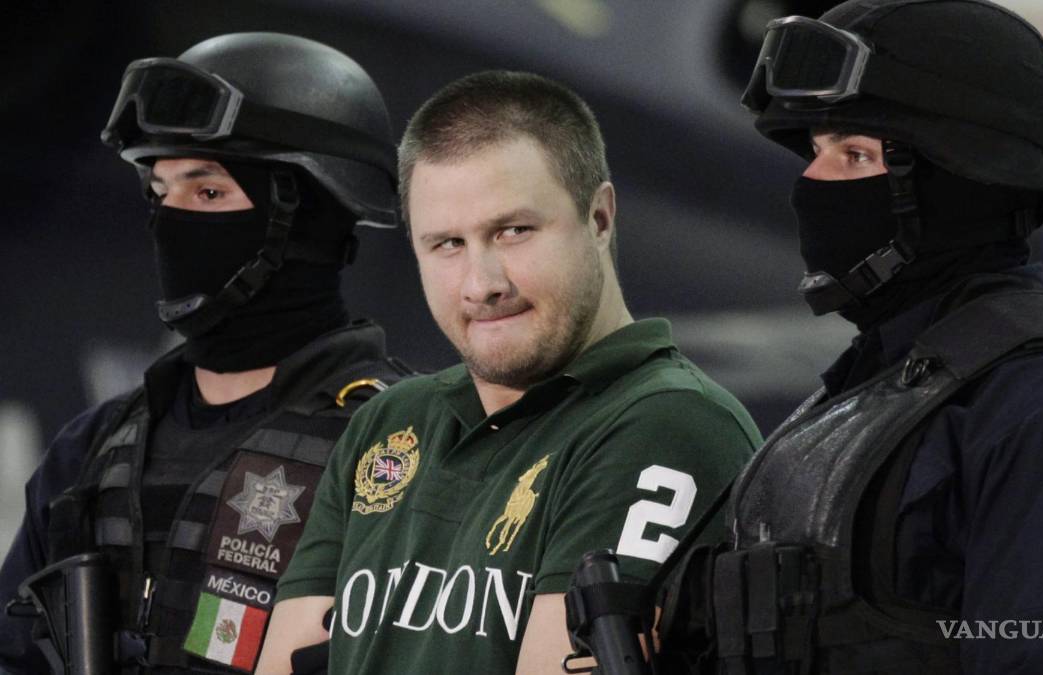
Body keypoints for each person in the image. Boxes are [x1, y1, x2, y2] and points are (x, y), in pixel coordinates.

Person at [652, 1, 1043, 674]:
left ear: (958, 178)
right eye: (817, 152)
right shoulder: (872, 389)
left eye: (854, 154)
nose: (811, 183)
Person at [256, 70, 762, 674]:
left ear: (599, 218)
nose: (482, 284)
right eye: (447, 244)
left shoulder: (669, 424)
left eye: (513, 231)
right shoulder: (388, 421)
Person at [0, 33, 412, 674]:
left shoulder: (402, 444)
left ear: (308, 214)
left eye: (208, 192)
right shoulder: (92, 451)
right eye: (159, 191)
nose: (170, 221)